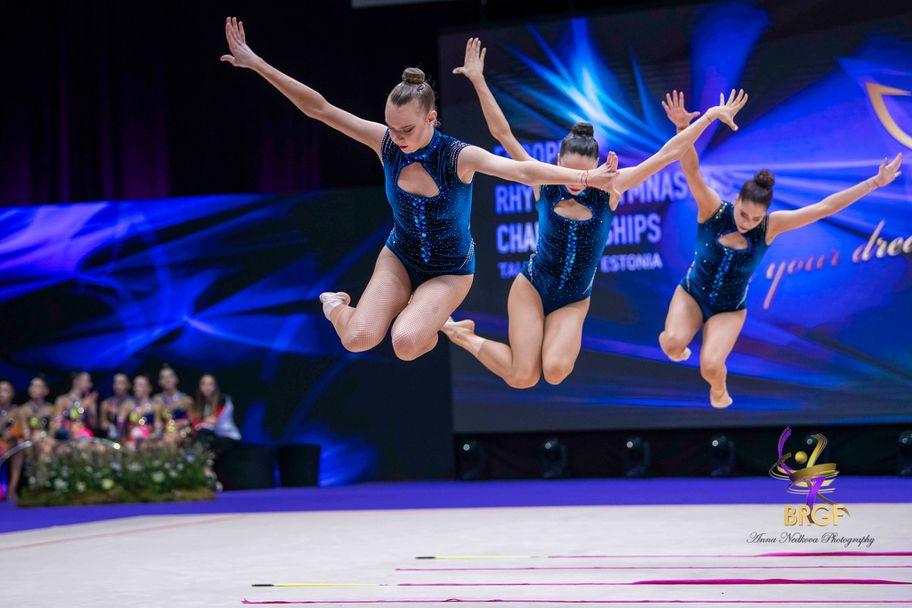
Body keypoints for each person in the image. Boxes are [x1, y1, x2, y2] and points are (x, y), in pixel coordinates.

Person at [221, 17, 619, 363]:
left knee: (406, 343)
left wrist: (585, 179)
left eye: (407, 129)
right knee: (358, 338)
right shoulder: (386, 144)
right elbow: (320, 108)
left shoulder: (458, 156)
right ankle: (336, 305)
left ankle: (433, 322)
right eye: (392, 127)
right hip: (400, 256)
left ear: (431, 117)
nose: (398, 137)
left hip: (450, 271)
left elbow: (522, 170)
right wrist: (256, 63)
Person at [443, 39, 747, 387]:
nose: (577, 182)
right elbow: (502, 133)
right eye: (569, 172)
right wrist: (478, 80)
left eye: (583, 173)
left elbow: (666, 154)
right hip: (532, 286)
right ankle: (463, 335)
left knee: (555, 372)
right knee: (522, 376)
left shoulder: (609, 189)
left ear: (596, 166)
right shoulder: (543, 181)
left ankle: (474, 336)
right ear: (558, 162)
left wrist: (709, 116)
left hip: (573, 298)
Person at [660, 90, 904, 407]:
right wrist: (682, 128)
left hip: (729, 309)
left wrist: (874, 183)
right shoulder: (712, 209)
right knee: (672, 344)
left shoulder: (770, 226)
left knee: (710, 367)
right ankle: (679, 347)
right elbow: (692, 170)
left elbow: (824, 208)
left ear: (764, 214)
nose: (747, 223)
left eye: (755, 218)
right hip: (692, 293)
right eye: (743, 214)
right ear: (736, 200)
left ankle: (719, 388)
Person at [192, 374, 241, 450]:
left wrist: (198, 421)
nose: (207, 387)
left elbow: (212, 421)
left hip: (228, 436)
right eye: (203, 384)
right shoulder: (202, 403)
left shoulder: (222, 400)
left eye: (210, 384)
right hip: (215, 436)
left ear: (215, 386)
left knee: (203, 436)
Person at [53, 371, 97, 439]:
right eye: (87, 381)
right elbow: (56, 424)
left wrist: (92, 408)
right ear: (76, 381)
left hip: (83, 438)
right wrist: (82, 407)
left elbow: (93, 425)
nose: (90, 385)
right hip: (65, 439)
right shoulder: (62, 400)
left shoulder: (88, 401)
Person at [153, 365, 192, 440]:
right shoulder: (157, 400)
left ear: (176, 379)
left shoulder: (186, 400)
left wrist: (184, 424)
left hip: (182, 434)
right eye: (163, 378)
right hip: (164, 435)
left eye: (170, 376)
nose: (167, 380)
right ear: (160, 382)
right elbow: (157, 421)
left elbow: (192, 421)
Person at [124, 375, 158, 443]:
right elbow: (121, 426)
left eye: (140, 385)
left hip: (150, 441)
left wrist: (152, 436)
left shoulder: (155, 406)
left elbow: (159, 427)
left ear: (149, 388)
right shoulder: (128, 405)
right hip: (131, 441)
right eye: (135, 385)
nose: (136, 388)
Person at [99, 373, 134, 440]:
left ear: (128, 385)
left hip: (129, 438)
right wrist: (110, 426)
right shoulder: (107, 403)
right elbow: (102, 424)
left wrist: (119, 413)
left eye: (121, 383)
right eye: (116, 383)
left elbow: (137, 422)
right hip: (113, 439)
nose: (118, 386)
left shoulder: (133, 403)